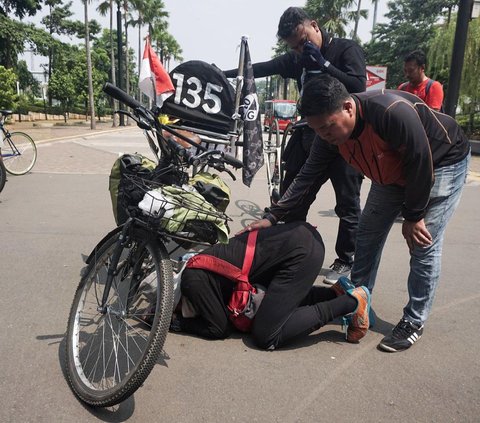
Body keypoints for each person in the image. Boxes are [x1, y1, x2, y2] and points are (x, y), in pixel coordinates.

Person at [245, 74, 470, 353]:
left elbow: (420, 160)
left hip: (440, 163)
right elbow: (307, 176)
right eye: (317, 130)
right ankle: (357, 302)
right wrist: (273, 216)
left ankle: (414, 320)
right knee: (366, 235)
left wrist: (414, 216)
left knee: (423, 244)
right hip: (391, 174)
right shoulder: (327, 134)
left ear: (348, 108)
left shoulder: (391, 113)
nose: (324, 136)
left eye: (327, 128)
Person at [224, 7, 366, 284]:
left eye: (303, 41)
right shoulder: (298, 58)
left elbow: (358, 85)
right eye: (295, 46)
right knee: (292, 196)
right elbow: (261, 69)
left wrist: (323, 65)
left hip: (342, 139)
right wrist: (222, 73)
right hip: (308, 138)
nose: (302, 49)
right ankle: (285, 252)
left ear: (314, 25)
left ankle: (346, 259)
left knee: (347, 204)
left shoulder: (346, 50)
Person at [171, 222, 370, 350]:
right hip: (299, 240)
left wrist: (179, 323)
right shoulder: (196, 264)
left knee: (266, 335)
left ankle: (351, 302)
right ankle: (334, 294)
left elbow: (218, 328)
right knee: (271, 305)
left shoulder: (192, 280)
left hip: (300, 253)